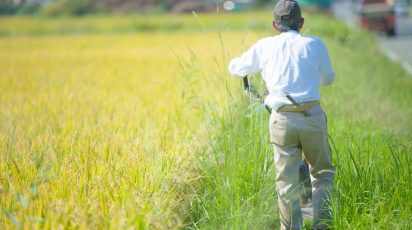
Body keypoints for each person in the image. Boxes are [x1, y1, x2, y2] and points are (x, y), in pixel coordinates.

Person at [227, 0, 336, 229]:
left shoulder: (265, 46)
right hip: (311, 116)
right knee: (322, 174)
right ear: (302, 22)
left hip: (282, 119)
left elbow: (236, 68)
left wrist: (240, 64)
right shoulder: (316, 45)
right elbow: (328, 79)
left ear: (275, 25)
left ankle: (292, 227)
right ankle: (322, 226)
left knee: (286, 183)